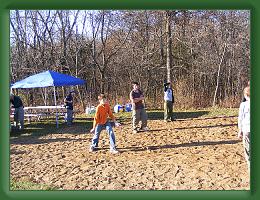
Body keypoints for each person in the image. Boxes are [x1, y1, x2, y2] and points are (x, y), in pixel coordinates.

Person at [238, 86, 250, 173]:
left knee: (248, 150)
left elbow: (240, 118)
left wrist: (240, 130)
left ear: (245, 95)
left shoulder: (243, 105)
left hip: (247, 129)